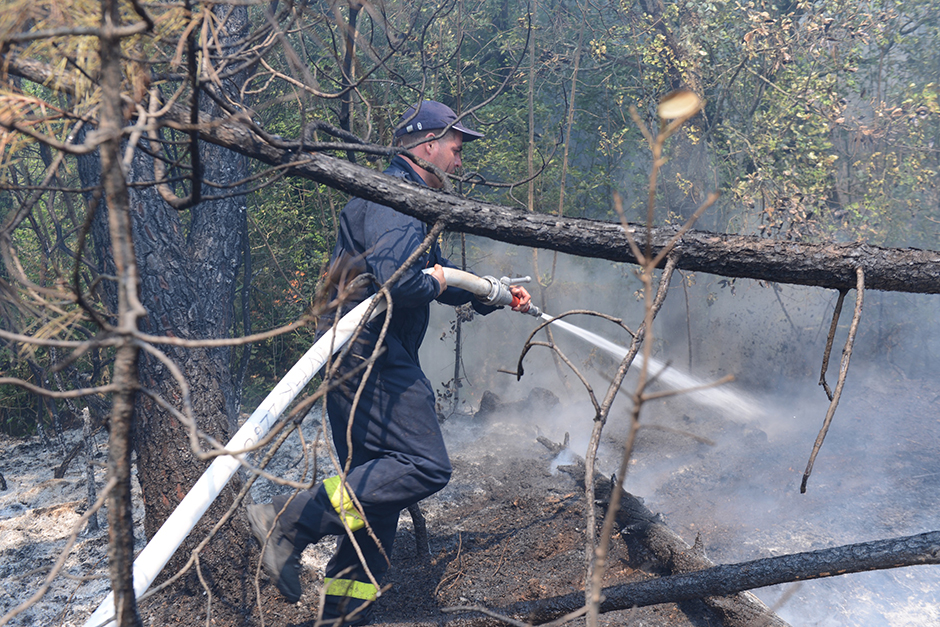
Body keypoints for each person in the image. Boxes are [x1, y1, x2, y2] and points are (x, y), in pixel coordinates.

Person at [247, 100, 531, 626]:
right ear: (425, 146)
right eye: (454, 147)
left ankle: (340, 618)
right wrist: (447, 280)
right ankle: (287, 520)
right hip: (367, 352)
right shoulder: (398, 199)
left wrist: (484, 292)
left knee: (372, 505)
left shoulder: (400, 198)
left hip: (360, 352)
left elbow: (415, 275)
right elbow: (400, 282)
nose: (459, 160)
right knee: (424, 465)